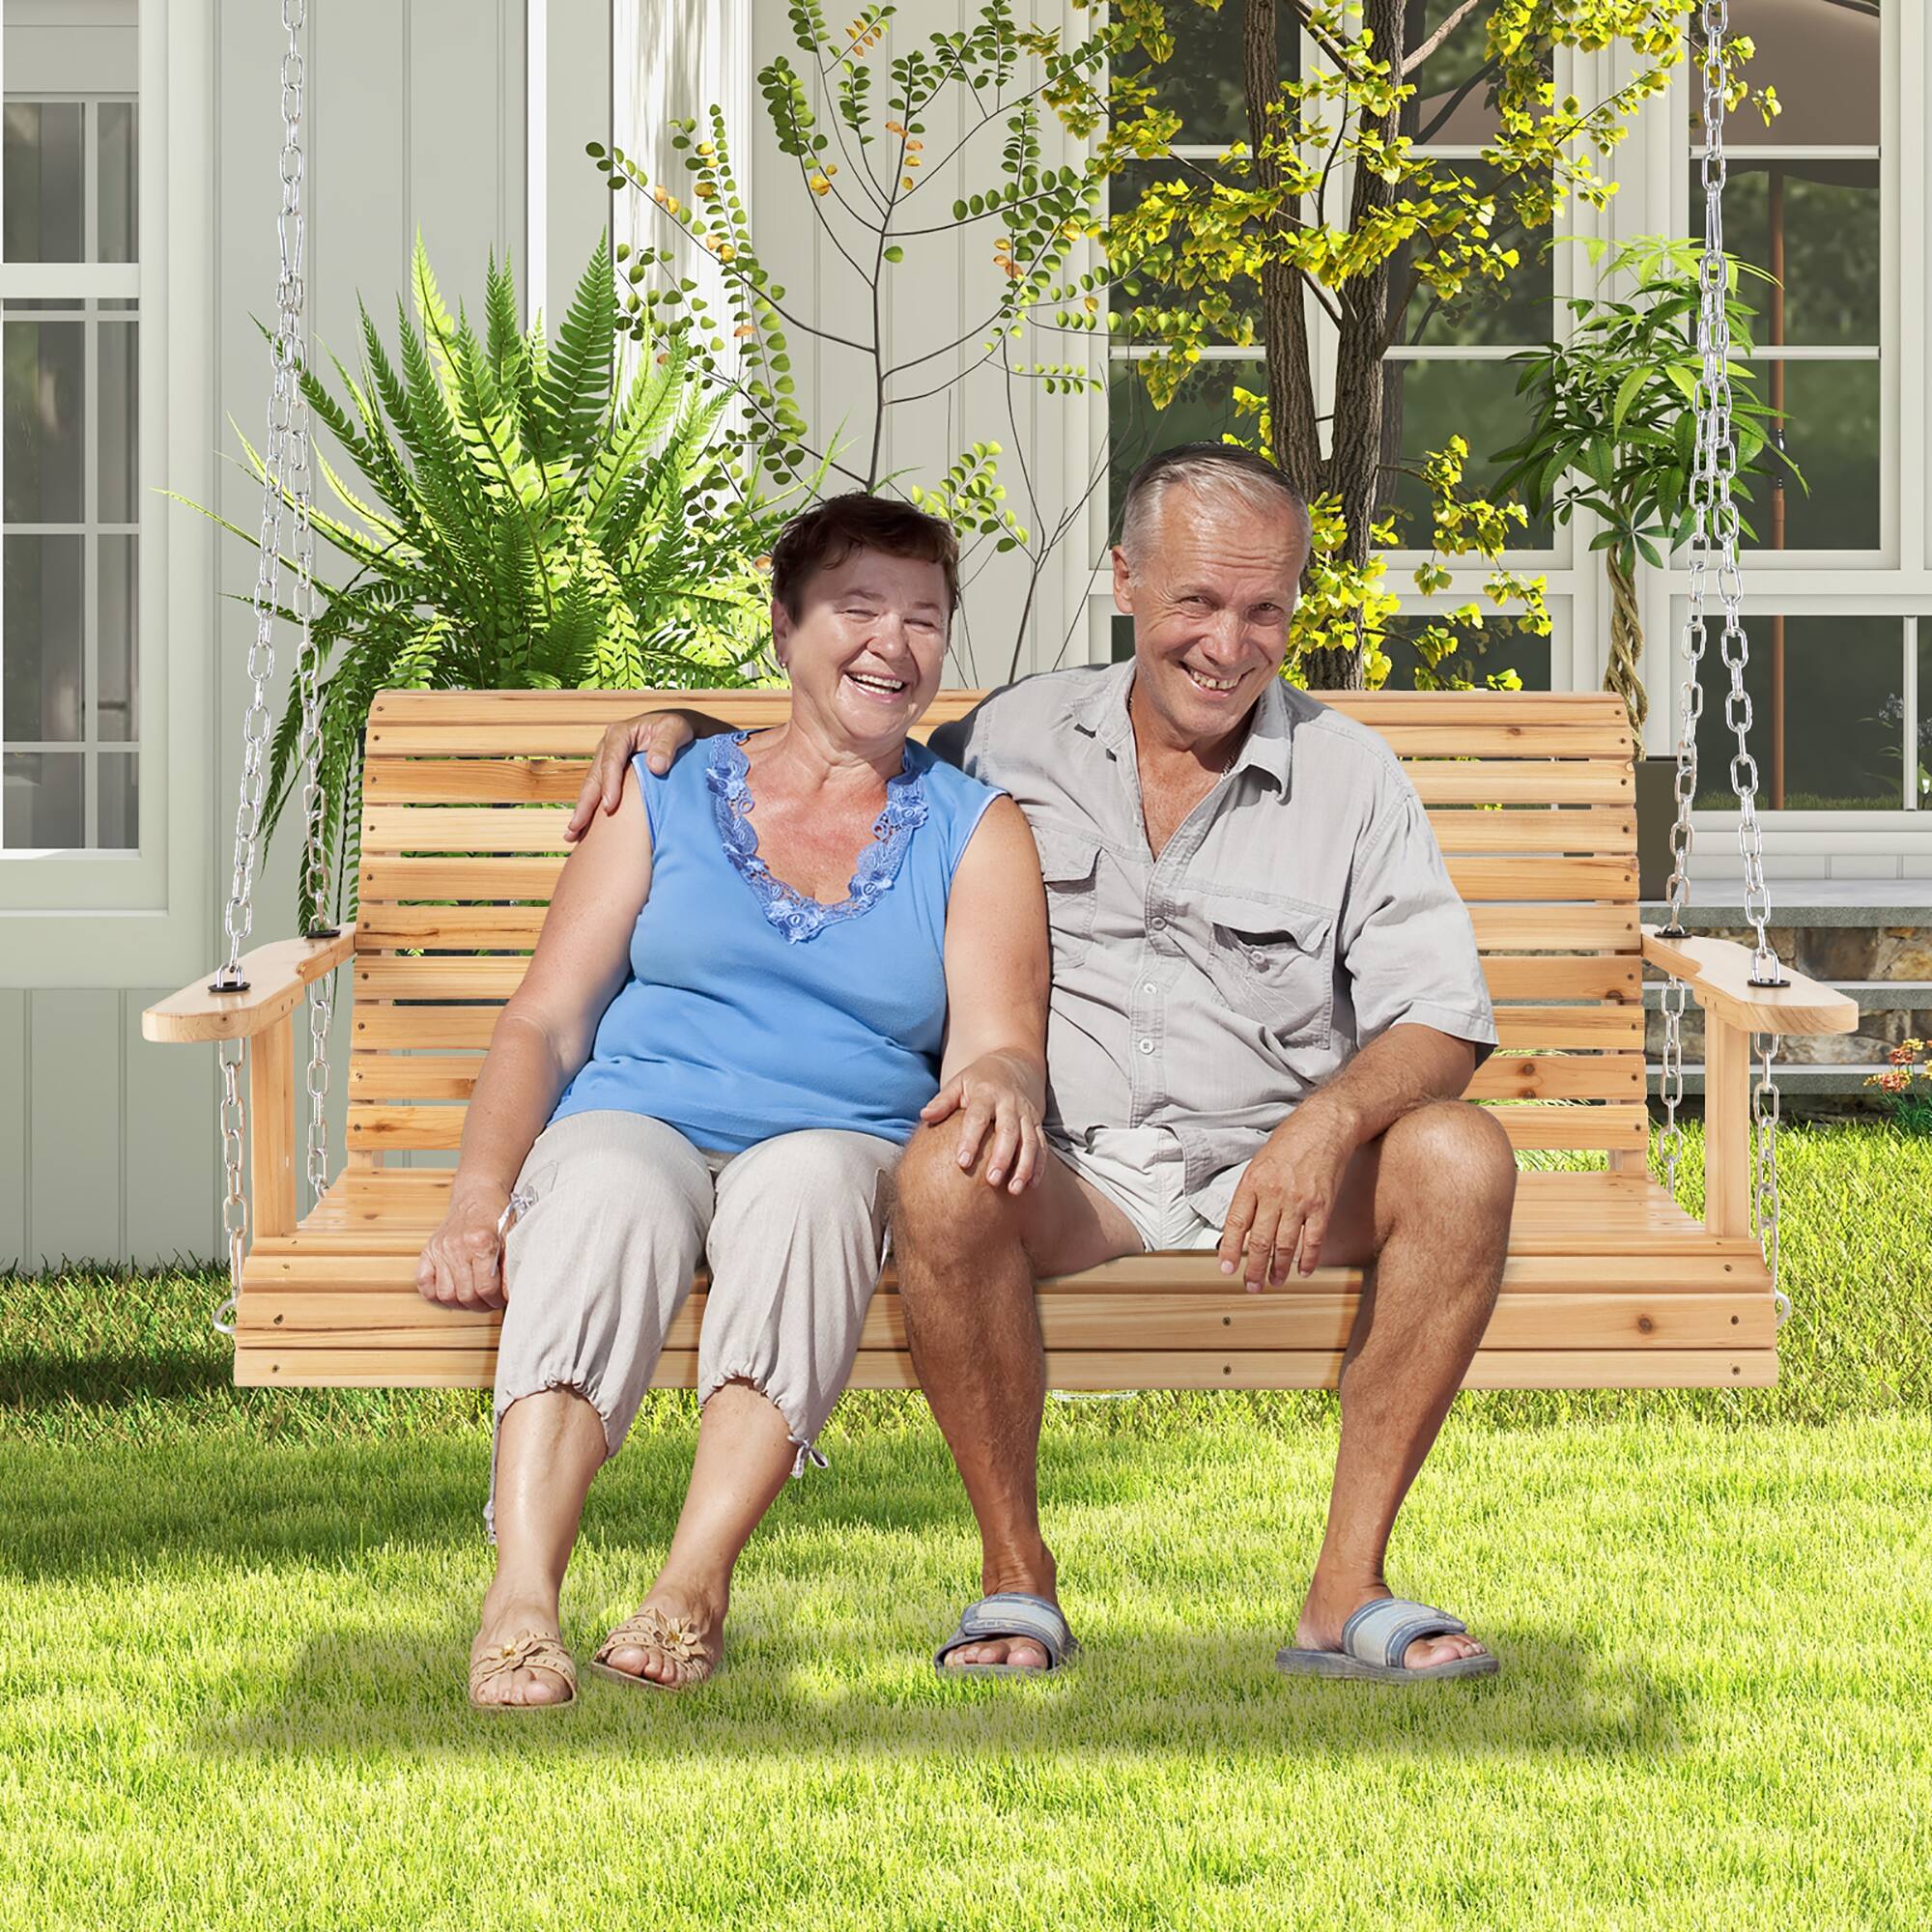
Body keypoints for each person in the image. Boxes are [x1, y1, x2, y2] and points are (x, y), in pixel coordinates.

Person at [567, 443, 1517, 1685]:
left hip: (1274, 1178)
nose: (1227, 644)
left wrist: (1324, 1125)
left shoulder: (1352, 777)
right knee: (944, 1170)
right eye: (1195, 601)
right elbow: (847, 751)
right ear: (1123, 580)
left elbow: (1441, 1018)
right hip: (1071, 1175)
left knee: (1460, 1155)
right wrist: (693, 735)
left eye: (1263, 609)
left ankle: (1346, 1588)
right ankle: (1015, 1576)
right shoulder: (1011, 739)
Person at [420, 492, 1048, 1710]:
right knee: (603, 1187)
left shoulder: (975, 829)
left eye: (923, 618)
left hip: (837, 1135)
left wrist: (999, 1078)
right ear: (783, 626)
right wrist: (476, 1198)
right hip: (639, 1111)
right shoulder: (663, 784)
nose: (892, 643)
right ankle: (521, 1596)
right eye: (857, 608)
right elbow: (545, 1020)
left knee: (810, 1192)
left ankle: (692, 1583)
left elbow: (997, 1042)